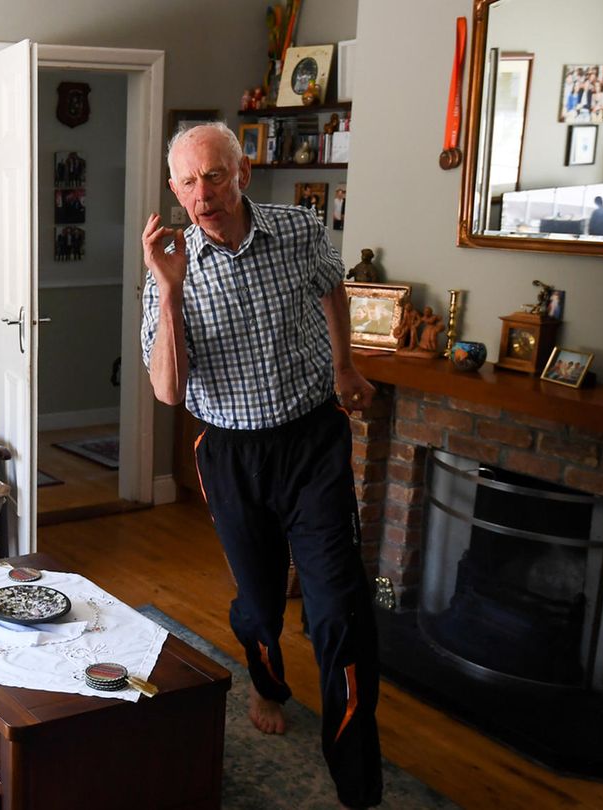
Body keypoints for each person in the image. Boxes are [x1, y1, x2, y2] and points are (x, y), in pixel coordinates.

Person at [140, 122, 381, 809]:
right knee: (260, 605)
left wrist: (344, 366)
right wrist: (169, 290)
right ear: (174, 190)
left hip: (313, 441)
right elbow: (167, 391)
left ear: (242, 173)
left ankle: (358, 778)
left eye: (214, 176)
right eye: (188, 182)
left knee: (341, 611)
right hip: (231, 451)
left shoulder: (299, 230)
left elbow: (332, 285)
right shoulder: (168, 262)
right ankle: (271, 683)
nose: (202, 194)